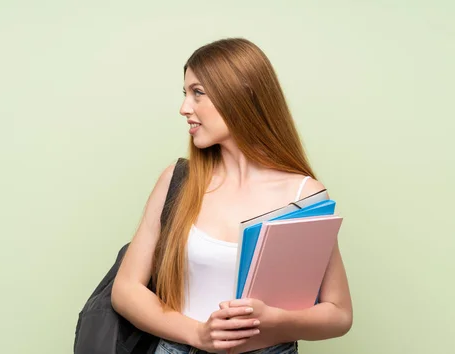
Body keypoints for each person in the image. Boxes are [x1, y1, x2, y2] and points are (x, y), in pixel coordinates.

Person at [111, 37, 353, 354]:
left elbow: (339, 314)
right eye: (185, 94)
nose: (184, 108)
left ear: (239, 94)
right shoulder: (178, 181)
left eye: (198, 93)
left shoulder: (303, 195)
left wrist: (275, 320)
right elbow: (126, 289)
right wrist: (199, 334)